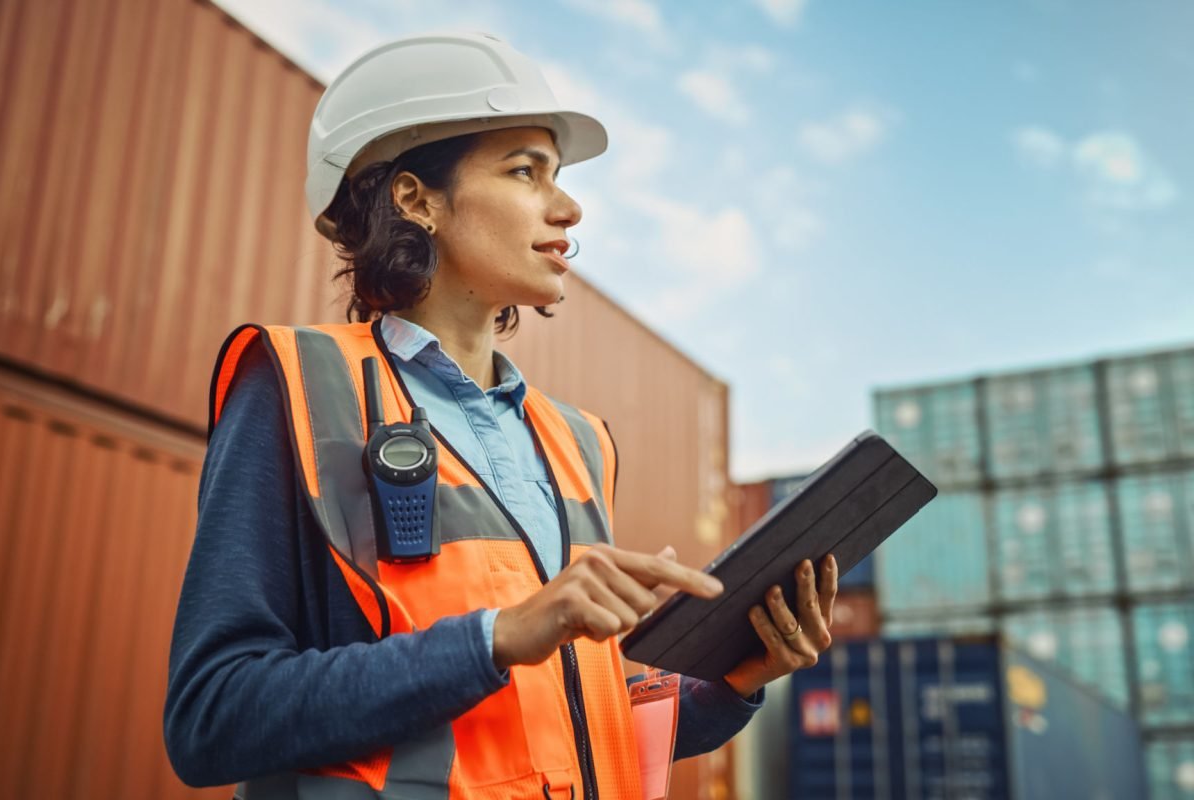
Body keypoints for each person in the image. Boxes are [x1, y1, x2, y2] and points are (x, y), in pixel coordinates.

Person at [163, 32, 837, 799]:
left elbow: (566, 731)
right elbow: (210, 718)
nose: (570, 205)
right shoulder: (296, 385)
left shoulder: (578, 442)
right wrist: (497, 635)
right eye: (526, 170)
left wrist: (734, 683)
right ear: (417, 199)